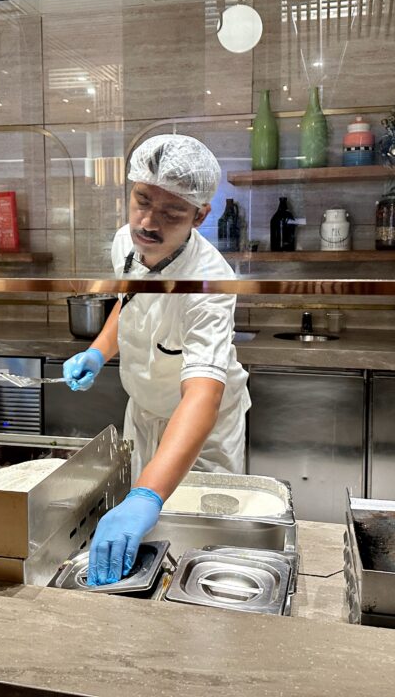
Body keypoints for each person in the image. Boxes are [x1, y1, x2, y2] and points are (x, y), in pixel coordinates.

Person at [63, 134, 250, 586]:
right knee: (144, 554)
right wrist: (97, 350)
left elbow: (202, 396)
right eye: (142, 201)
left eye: (172, 213)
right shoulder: (124, 244)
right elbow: (129, 304)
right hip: (143, 415)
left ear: (201, 215)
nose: (148, 222)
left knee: (197, 551)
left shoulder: (208, 284)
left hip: (200, 435)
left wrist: (147, 494)